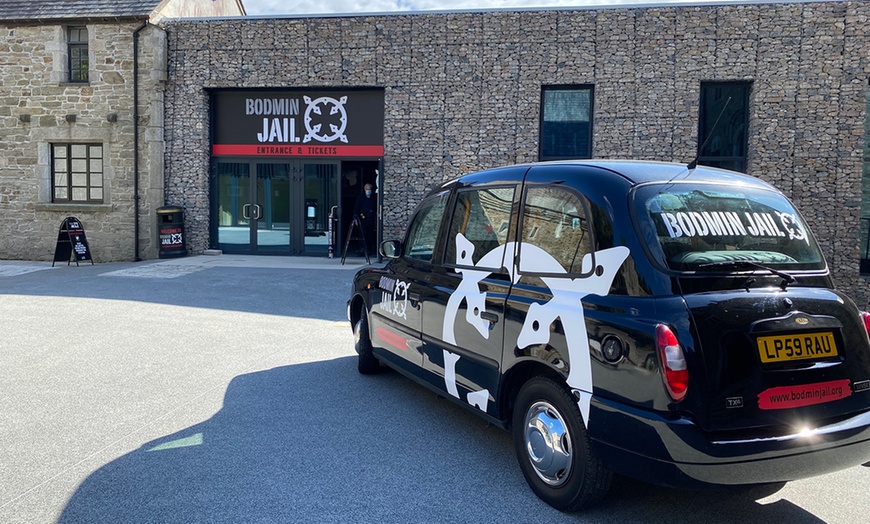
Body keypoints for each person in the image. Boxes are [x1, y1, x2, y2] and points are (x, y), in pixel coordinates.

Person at [353, 183, 377, 255]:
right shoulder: (360, 198)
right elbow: (356, 208)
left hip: (371, 218)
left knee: (370, 235)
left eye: (369, 189)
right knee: (362, 234)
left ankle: (369, 249)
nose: (368, 191)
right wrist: (355, 219)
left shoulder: (374, 198)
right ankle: (361, 249)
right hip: (362, 218)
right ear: (364, 189)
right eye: (367, 189)